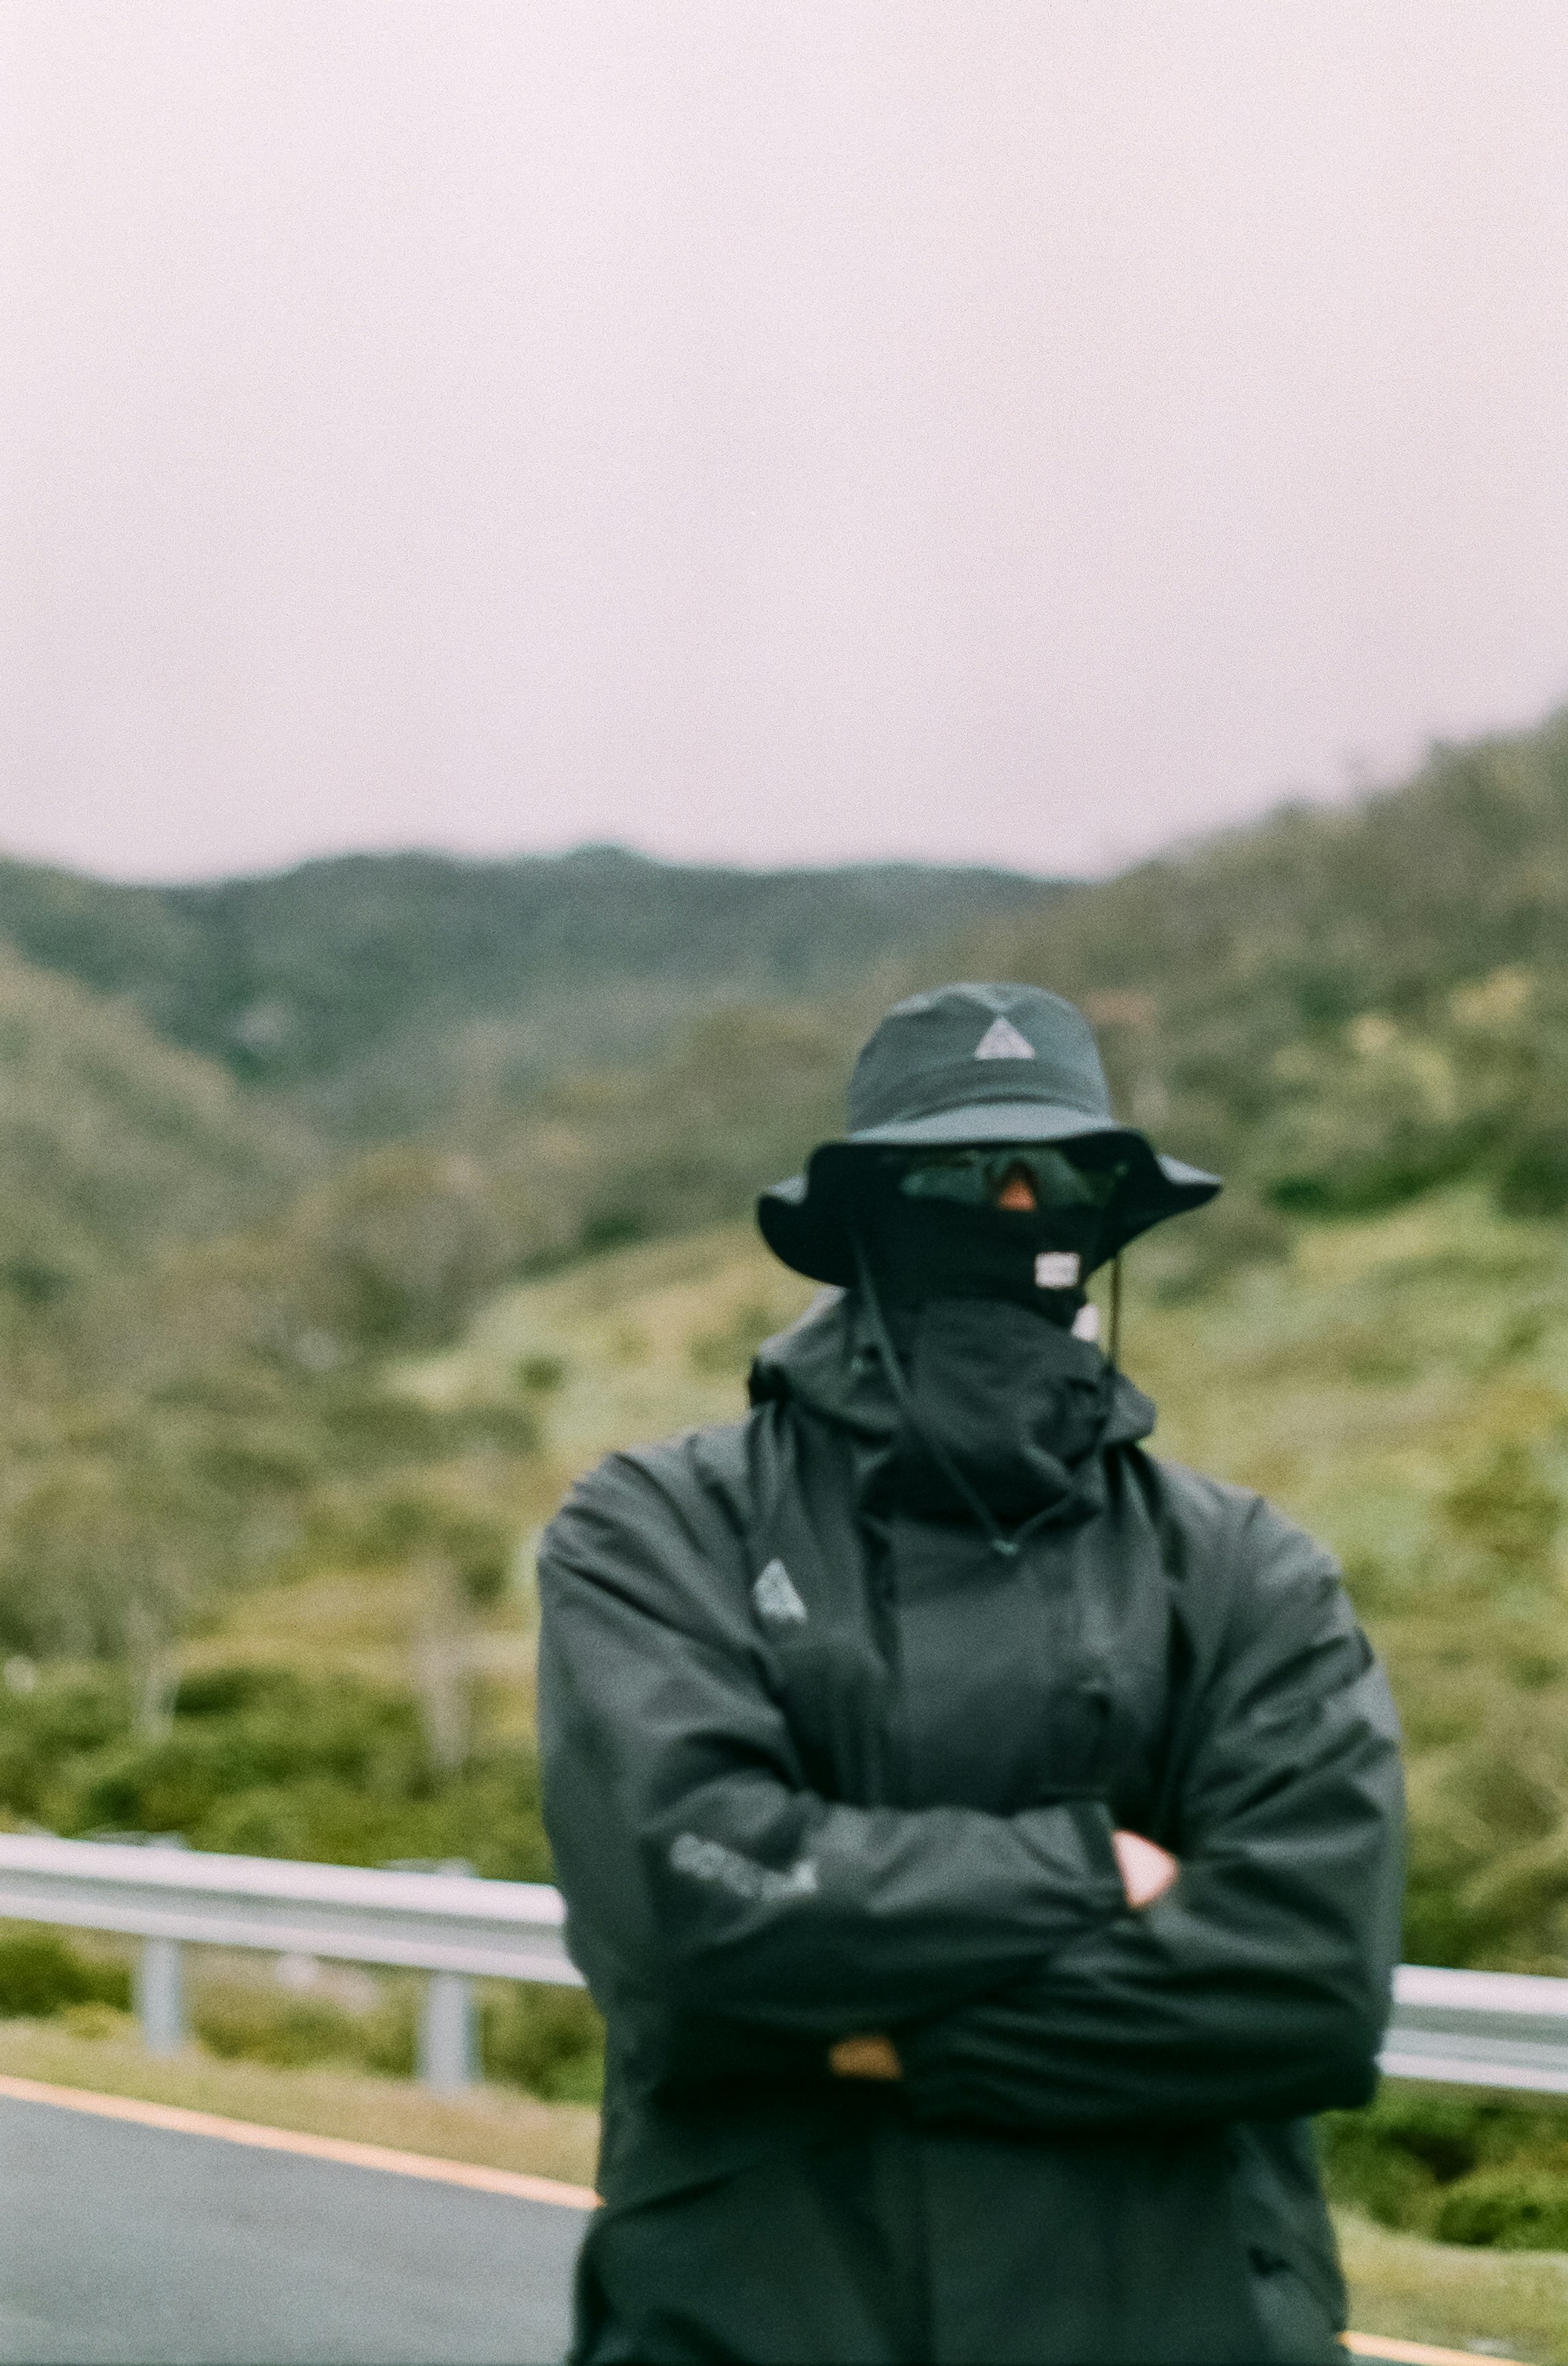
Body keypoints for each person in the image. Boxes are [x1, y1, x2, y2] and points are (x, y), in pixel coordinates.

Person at [538, 982, 1404, 2366]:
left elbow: (1305, 1982)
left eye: (1057, 1172)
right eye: (959, 1170)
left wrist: (878, 2048)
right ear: (866, 1208)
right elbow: (687, 1897)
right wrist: (1092, 1869)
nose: (1015, 1210)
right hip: (757, 2316)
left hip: (1176, 2313)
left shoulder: (1246, 1567)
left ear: (1108, 1211)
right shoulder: (661, 1524)